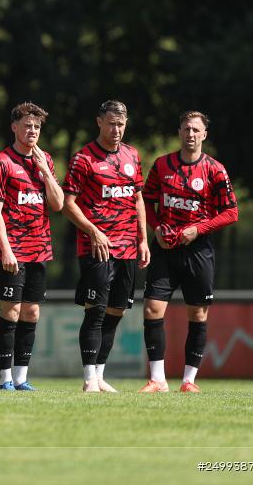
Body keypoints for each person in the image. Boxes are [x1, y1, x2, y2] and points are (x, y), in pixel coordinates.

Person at [139, 110, 237, 393]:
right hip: (165, 248)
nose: (190, 134)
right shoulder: (162, 165)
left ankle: (188, 381)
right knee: (152, 308)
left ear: (204, 134)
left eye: (196, 130)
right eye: (186, 129)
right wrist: (156, 228)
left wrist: (200, 229)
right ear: (179, 132)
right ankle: (157, 379)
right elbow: (146, 202)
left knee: (197, 315)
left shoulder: (215, 170)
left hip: (198, 250)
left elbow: (231, 212)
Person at [62, 100, 150, 393]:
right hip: (96, 247)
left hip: (127, 247)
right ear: (99, 122)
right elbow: (67, 204)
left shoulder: (132, 155)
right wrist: (93, 231)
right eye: (111, 123)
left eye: (121, 124)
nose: (116, 130)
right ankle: (89, 378)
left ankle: (100, 375)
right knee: (95, 310)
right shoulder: (83, 159)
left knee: (116, 311)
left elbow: (138, 199)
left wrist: (143, 239)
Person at [0, 102, 62, 391]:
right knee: (11, 311)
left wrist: (44, 170)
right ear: (14, 127)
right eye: (27, 125)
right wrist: (5, 249)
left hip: (39, 249)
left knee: (31, 312)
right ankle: (4, 378)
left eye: (37, 127)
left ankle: (21, 378)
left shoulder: (46, 161)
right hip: (13, 250)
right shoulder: (1, 162)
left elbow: (56, 204)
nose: (32, 131)